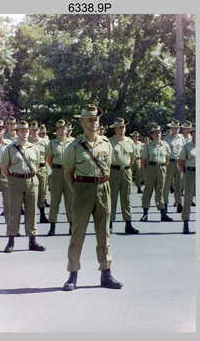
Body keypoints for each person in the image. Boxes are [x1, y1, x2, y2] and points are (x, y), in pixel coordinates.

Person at [62, 104, 122, 291]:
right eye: (89, 119)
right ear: (82, 122)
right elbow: (67, 173)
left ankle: (106, 273)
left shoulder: (106, 143)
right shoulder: (73, 146)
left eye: (95, 119)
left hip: (103, 187)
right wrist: (79, 190)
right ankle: (73, 275)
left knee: (104, 233)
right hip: (82, 188)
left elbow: (108, 169)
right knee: (78, 233)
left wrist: (100, 184)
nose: (93, 122)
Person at [1, 120, 46, 253]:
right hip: (15, 181)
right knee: (14, 212)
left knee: (32, 212)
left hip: (32, 182)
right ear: (17, 132)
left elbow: (37, 165)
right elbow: (4, 168)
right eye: (21, 130)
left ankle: (32, 241)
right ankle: (11, 241)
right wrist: (14, 179)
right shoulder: (10, 148)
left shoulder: (34, 148)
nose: (25, 133)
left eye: (26, 130)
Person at [109, 118, 139, 234]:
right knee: (112, 198)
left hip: (126, 171)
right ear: (115, 129)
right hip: (114, 172)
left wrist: (126, 167)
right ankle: (109, 224)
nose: (121, 129)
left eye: (123, 127)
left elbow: (132, 158)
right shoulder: (110, 141)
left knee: (126, 198)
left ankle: (128, 224)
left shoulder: (130, 141)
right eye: (119, 128)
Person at [45, 119, 74, 236]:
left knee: (70, 200)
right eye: (59, 128)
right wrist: (56, 169)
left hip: (69, 171)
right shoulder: (52, 143)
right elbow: (49, 160)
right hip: (57, 172)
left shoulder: (72, 142)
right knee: (55, 200)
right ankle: (52, 226)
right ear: (56, 130)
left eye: (63, 128)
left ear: (67, 130)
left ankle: (72, 226)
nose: (61, 131)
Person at [140, 125, 173, 222]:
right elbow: (143, 161)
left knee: (160, 191)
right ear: (152, 135)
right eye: (155, 132)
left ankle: (163, 214)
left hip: (162, 168)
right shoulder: (148, 146)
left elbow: (167, 159)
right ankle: (145, 214)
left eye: (159, 132)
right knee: (148, 190)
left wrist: (162, 167)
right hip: (151, 168)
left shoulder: (165, 145)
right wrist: (148, 171)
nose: (157, 134)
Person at [29, 121, 50, 224]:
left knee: (42, 192)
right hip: (29, 170)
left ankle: (42, 215)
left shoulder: (44, 142)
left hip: (42, 169)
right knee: (29, 194)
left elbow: (48, 156)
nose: (34, 131)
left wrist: (45, 168)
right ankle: (30, 218)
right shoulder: (26, 141)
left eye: (35, 129)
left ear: (38, 130)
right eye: (32, 130)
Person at [163, 119, 185, 213]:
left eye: (177, 128)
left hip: (179, 162)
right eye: (174, 128)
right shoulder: (166, 138)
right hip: (169, 162)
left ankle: (179, 203)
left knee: (179, 185)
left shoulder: (182, 138)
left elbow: (184, 151)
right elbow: (164, 151)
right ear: (171, 128)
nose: (176, 129)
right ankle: (165, 204)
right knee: (167, 184)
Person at [179, 125, 195, 234]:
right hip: (190, 172)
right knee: (188, 198)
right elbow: (181, 161)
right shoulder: (187, 146)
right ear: (192, 134)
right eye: (194, 133)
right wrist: (185, 172)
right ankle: (185, 223)